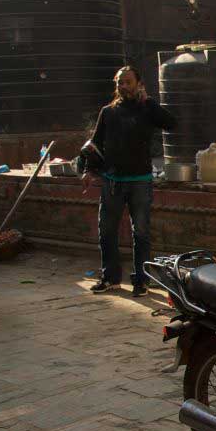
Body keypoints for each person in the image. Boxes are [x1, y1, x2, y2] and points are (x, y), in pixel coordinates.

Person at [80, 66, 176, 297]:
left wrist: (150, 103)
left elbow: (171, 123)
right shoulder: (108, 112)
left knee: (141, 232)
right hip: (112, 181)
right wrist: (88, 171)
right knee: (107, 231)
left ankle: (141, 281)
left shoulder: (147, 109)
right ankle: (110, 278)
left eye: (128, 82)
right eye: (119, 83)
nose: (123, 86)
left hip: (140, 181)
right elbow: (96, 144)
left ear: (138, 84)